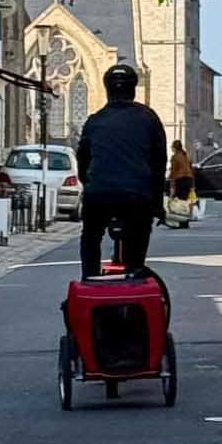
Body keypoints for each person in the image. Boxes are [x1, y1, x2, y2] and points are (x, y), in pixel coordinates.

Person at [75, 62, 167, 281]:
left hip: (99, 195)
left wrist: (89, 183)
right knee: (140, 234)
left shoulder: (94, 121)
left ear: (107, 90)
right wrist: (158, 204)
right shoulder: (149, 118)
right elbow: (158, 163)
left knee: (91, 236)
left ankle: (89, 278)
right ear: (133, 89)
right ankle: (135, 271)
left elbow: (83, 162)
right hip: (137, 195)